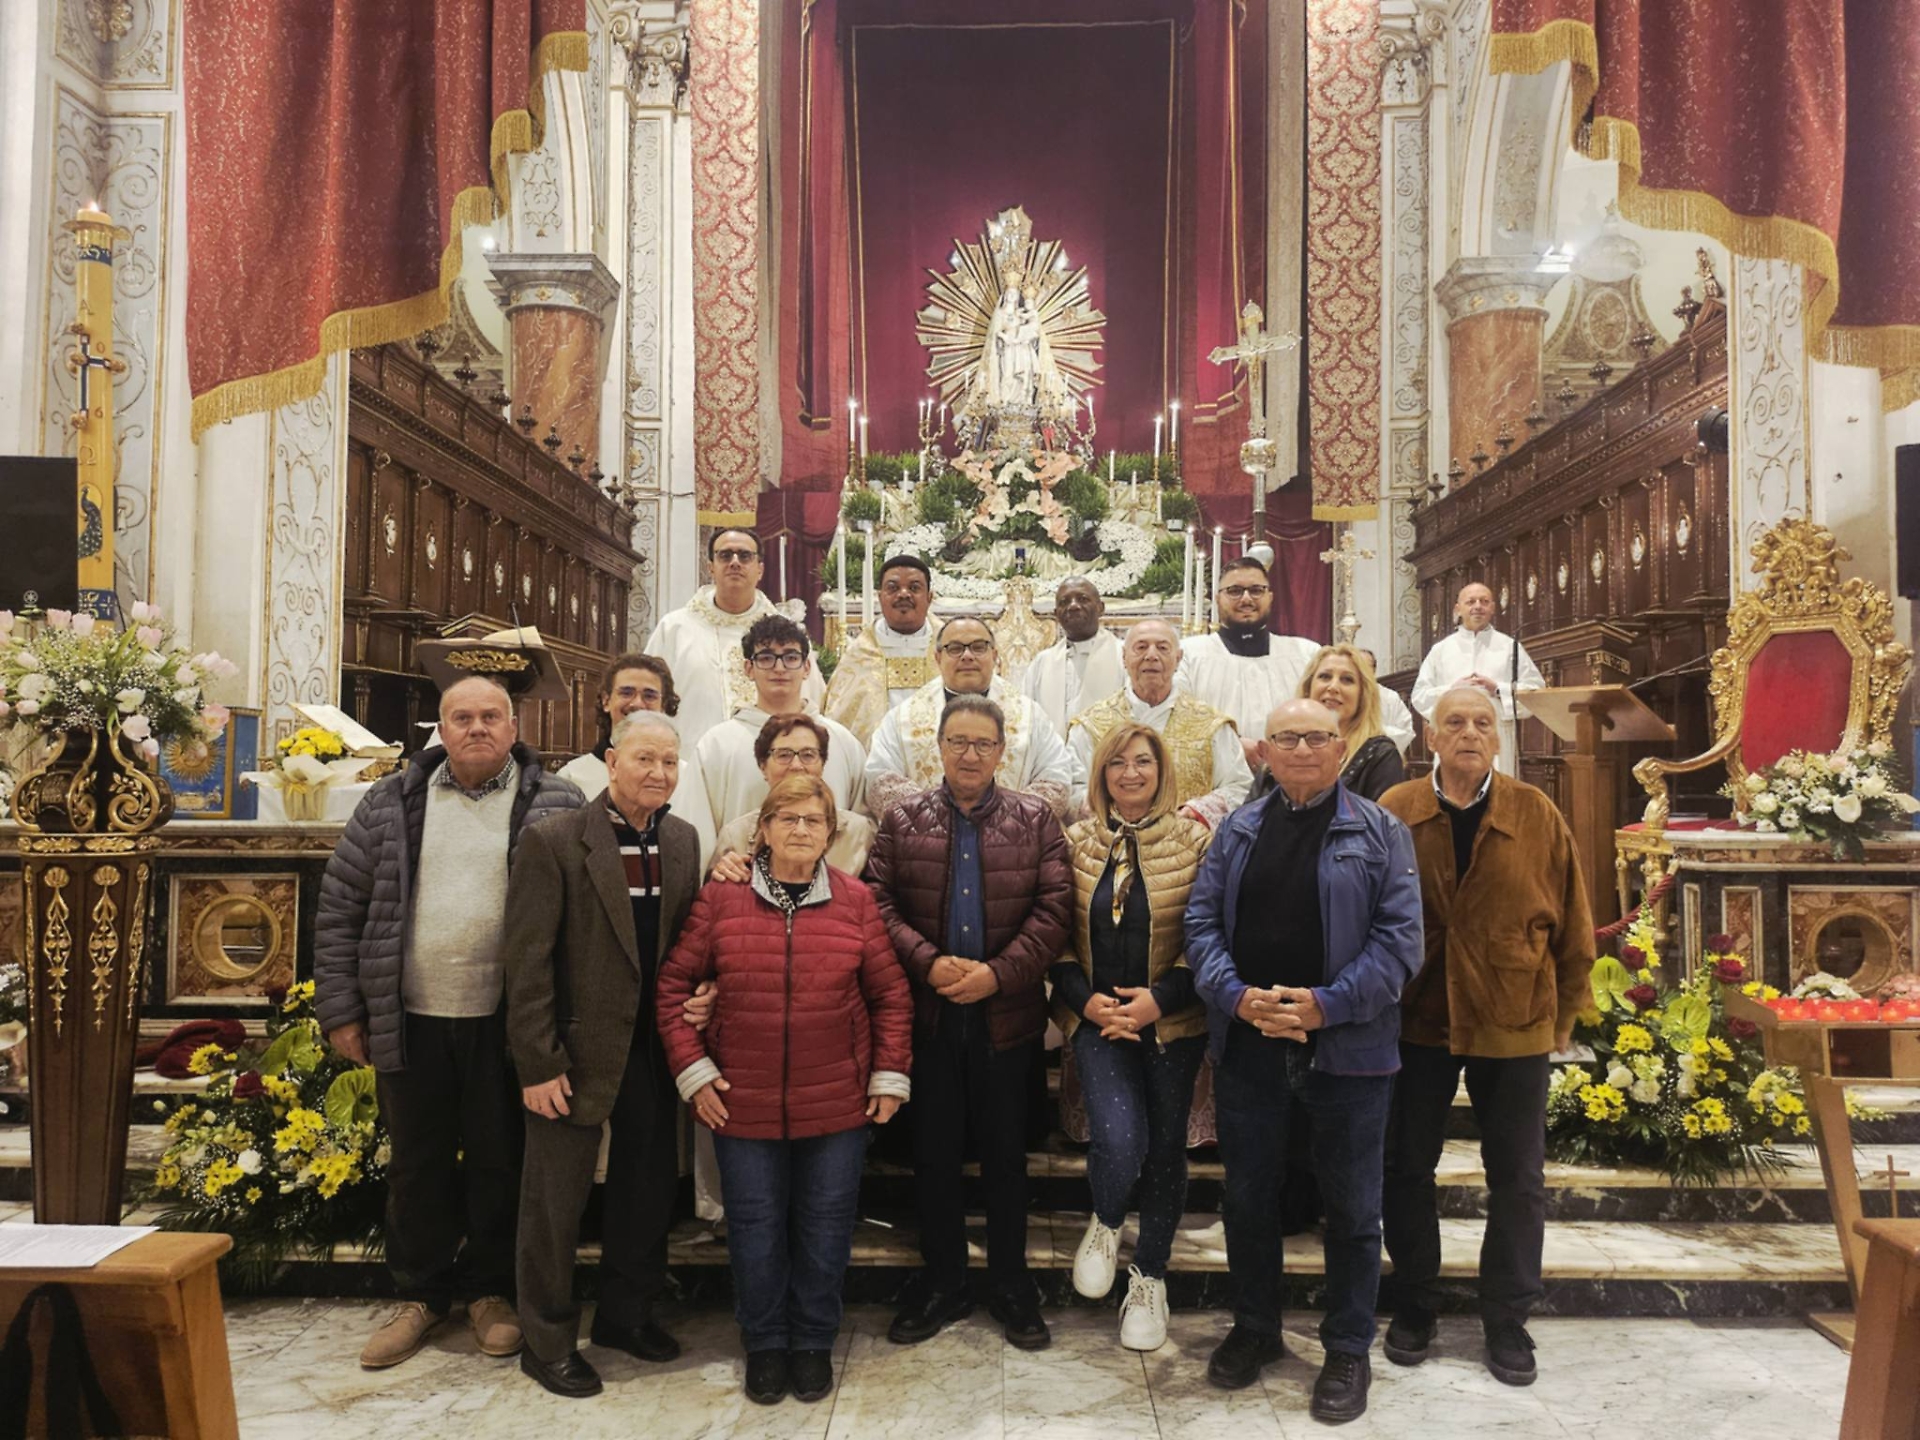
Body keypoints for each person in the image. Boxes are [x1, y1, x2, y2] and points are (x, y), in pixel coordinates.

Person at [314, 676, 584, 1371]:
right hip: (409, 1016)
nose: (477, 728)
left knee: (500, 1161)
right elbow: (341, 907)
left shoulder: (556, 800)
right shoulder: (391, 799)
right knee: (417, 1163)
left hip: (508, 1022)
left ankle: (491, 1293)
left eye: (491, 716)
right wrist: (343, 1009)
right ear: (441, 727)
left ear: (514, 727)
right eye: (462, 717)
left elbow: (586, 918)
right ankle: (421, 1294)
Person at [1186, 698, 1423, 1423]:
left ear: (1341, 746)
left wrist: (1327, 1005)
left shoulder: (1381, 831)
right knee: (1249, 1198)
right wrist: (1235, 997)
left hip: (1348, 1052)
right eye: (1286, 738)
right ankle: (1255, 1327)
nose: (1301, 749)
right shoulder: (1238, 828)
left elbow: (1401, 942)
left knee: (1350, 1209)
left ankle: (1348, 1347)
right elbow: (1201, 922)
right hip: (1250, 1048)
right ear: (1264, 750)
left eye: (1316, 737)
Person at [657, 775, 912, 1406]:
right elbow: (673, 988)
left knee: (826, 1227)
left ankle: (814, 1340)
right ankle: (766, 1341)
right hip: (741, 1099)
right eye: (787, 818)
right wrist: (695, 1072)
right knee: (754, 1226)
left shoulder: (855, 901)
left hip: (837, 1102)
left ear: (830, 834)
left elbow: (890, 996)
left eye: (813, 820)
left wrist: (888, 1074)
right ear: (763, 829)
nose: (801, 829)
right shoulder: (723, 899)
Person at [1377, 685, 1593, 1387]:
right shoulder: (1397, 809)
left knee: (1518, 1178)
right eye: (1455, 723)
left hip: (1514, 1011)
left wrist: (1565, 1012)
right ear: (1431, 738)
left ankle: (1507, 1317)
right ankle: (1415, 1302)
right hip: (1418, 1014)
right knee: (1406, 1166)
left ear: (1498, 738)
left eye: (1482, 723)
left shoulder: (1535, 812)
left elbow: (1573, 917)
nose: (1470, 733)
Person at [501, 712, 699, 1398]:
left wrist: (701, 995)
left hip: (653, 1048)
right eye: (645, 759)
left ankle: (626, 1314)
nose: (658, 773)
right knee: (554, 1204)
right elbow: (526, 962)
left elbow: (686, 944)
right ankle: (546, 1340)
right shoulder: (555, 841)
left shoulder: (681, 839)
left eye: (669, 762)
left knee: (645, 1193)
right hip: (573, 1050)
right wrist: (538, 1061)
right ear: (612, 762)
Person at [867, 695, 1073, 1351]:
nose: (970, 754)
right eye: (958, 741)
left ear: (1002, 751)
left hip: (1005, 1019)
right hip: (929, 1019)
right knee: (934, 1158)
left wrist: (999, 974)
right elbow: (877, 901)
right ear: (938, 747)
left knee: (1006, 1160)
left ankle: (1011, 1286)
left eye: (983, 743)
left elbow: (1054, 909)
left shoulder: (1035, 820)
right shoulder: (902, 820)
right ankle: (944, 1282)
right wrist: (927, 964)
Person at [1053, 724, 1211, 1352]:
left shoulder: (1195, 843)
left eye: (1143, 761)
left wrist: (1158, 1001)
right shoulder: (1076, 844)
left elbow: (1208, 937)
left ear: (1162, 770)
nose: (1130, 773)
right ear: (1101, 773)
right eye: (1116, 762)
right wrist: (1084, 1001)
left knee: (1167, 1147)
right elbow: (1057, 936)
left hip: (1172, 1023)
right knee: (1119, 1139)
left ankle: (1149, 1276)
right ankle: (1108, 1217)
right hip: (1098, 1022)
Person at [865, 617, 1080, 821]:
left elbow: (1056, 778)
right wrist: (930, 820)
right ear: (938, 658)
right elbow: (880, 779)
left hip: (1015, 840)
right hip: (924, 840)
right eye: (955, 648)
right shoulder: (901, 719)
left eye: (978, 647)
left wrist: (1012, 820)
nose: (967, 656)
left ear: (994, 656)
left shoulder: (1031, 717)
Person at [645, 528, 825, 749]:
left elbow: (812, 701)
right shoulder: (675, 629)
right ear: (711, 567)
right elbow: (647, 700)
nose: (735, 562)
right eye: (725, 555)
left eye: (745, 556)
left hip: (779, 760)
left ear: (760, 569)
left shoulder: (789, 635)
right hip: (691, 760)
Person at [1068, 618, 1247, 828]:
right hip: (1111, 843)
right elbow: (1072, 787)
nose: (1151, 656)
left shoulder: (1211, 725)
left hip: (1188, 843)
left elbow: (1239, 786)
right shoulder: (1091, 724)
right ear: (1124, 657)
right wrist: (1112, 813)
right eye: (1141, 647)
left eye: (1162, 648)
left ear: (1178, 658)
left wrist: (1196, 812)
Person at [696, 614, 866, 828]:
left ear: (807, 667)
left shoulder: (843, 742)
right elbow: (698, 829)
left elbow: (860, 830)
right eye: (766, 658)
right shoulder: (717, 745)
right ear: (748, 669)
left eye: (791, 657)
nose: (779, 668)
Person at [1175, 556, 1323, 768]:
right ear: (1217, 598)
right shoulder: (1188, 654)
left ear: (1270, 597)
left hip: (1292, 773)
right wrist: (1231, 745)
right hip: (1216, 775)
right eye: (1234, 591)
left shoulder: (1306, 654)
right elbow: (1179, 718)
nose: (1246, 599)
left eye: (1256, 590)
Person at [708, 714, 878, 876]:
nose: (796, 766)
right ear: (763, 766)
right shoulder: (736, 836)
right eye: (784, 755)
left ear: (822, 764)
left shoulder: (859, 834)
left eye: (808, 755)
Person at [1409, 581, 1544, 777]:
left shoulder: (1510, 647)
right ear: (1458, 609)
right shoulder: (1441, 650)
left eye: (1484, 601)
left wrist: (1498, 689)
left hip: (1495, 732)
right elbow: (1419, 696)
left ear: (1493, 608)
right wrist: (1451, 690)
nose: (1478, 606)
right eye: (1470, 601)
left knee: (1497, 789)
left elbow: (1536, 691)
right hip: (1452, 734)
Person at [1249, 643, 1406, 803]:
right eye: (1325, 677)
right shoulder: (1281, 744)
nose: (1333, 687)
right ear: (1308, 688)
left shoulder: (1380, 755)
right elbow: (1249, 814)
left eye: (1347, 680)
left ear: (1362, 695)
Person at [822, 554, 939, 746]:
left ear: (930, 597)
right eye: (893, 588)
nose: (903, 594)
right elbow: (840, 726)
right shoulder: (860, 656)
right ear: (880, 597)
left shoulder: (951, 649)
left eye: (914, 588)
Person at [556, 652, 678, 796]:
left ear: (663, 706)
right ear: (606, 701)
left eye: (649, 696)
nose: (637, 704)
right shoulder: (572, 778)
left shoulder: (685, 776)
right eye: (626, 693)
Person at [1020, 577, 1125, 736]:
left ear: (1100, 608)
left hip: (1108, 750)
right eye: (1064, 602)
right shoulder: (1042, 662)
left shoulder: (1123, 656)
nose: (1073, 606)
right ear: (1056, 614)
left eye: (1083, 599)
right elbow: (1025, 718)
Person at [1359, 647, 1417, 755]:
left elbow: (1406, 732)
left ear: (1374, 670)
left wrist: (1377, 732)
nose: (1361, 672)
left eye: (1365, 667)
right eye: (1356, 667)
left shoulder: (1390, 697)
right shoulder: (1343, 695)